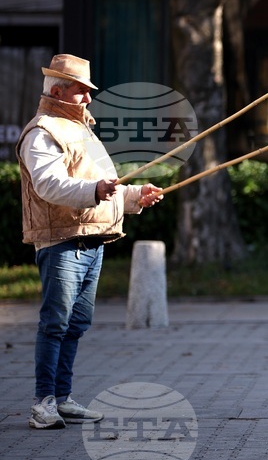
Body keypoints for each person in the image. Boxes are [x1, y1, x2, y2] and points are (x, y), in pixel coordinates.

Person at [16, 54, 164, 429]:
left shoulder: (82, 130)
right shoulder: (43, 131)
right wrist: (98, 189)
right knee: (55, 322)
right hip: (61, 241)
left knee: (76, 323)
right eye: (82, 91)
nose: (88, 99)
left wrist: (133, 197)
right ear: (59, 91)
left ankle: (62, 398)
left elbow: (100, 188)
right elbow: (49, 185)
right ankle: (43, 403)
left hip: (90, 240)